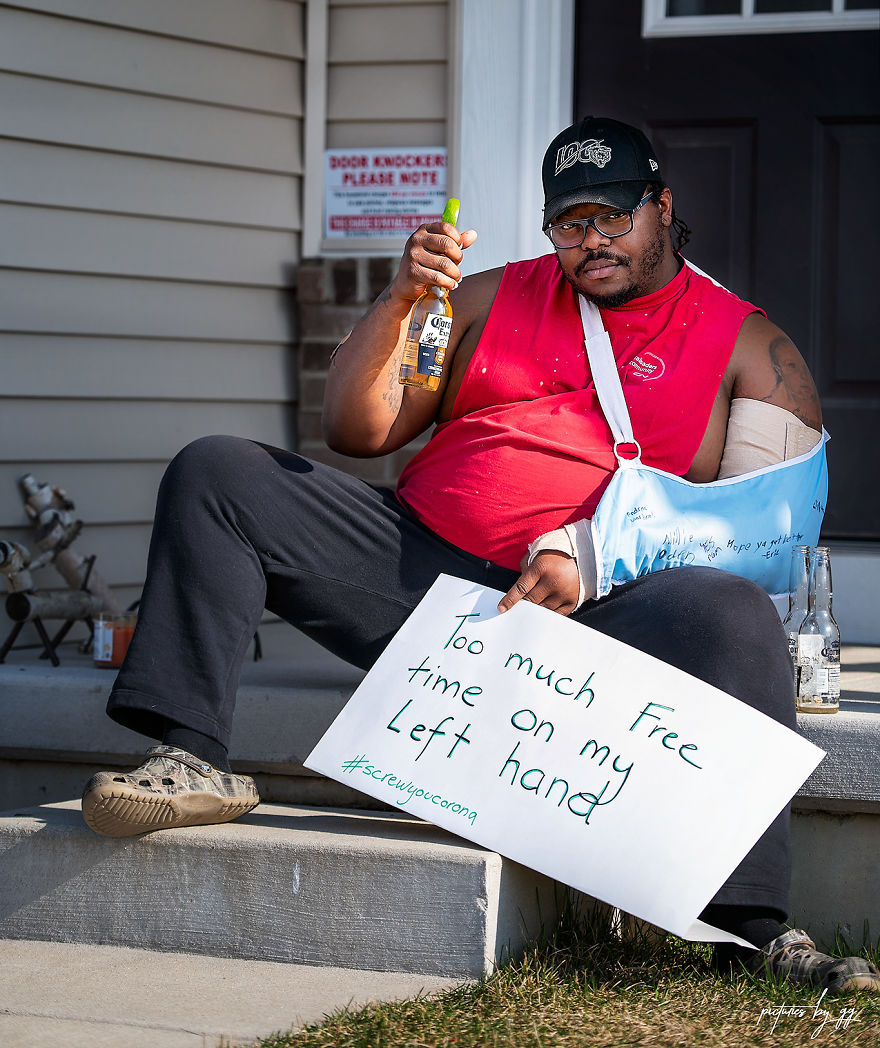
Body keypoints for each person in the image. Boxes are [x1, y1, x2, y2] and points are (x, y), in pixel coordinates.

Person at [81, 116, 879, 995]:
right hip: (426, 585)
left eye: (615, 217)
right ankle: (192, 756)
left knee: (732, 613)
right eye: (570, 223)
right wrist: (397, 302)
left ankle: (750, 929)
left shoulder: (750, 347)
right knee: (220, 471)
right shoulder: (488, 298)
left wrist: (593, 552)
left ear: (663, 208)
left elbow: (767, 536)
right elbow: (359, 430)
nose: (592, 242)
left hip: (599, 614)